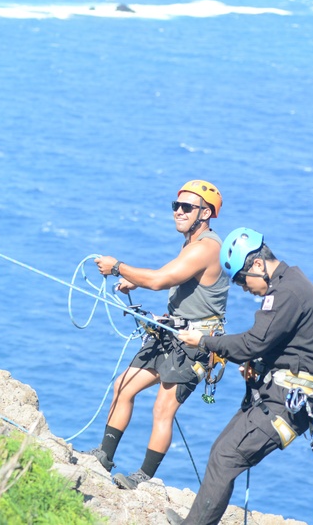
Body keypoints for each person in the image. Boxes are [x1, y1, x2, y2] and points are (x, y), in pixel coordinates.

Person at [168, 227, 313, 525]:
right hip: (278, 395)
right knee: (222, 451)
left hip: (286, 404)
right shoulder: (290, 284)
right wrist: (262, 363)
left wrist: (204, 341)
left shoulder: (286, 293)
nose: (243, 288)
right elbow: (284, 345)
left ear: (258, 264)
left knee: (227, 457)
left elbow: (251, 343)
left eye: (242, 280)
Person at [80, 180, 228, 490]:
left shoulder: (207, 246)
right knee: (123, 387)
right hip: (172, 332)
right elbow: (175, 274)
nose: (179, 212)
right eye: (176, 206)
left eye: (187, 207)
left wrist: (119, 267)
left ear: (206, 214)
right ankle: (103, 457)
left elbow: (161, 279)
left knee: (163, 408)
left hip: (195, 343)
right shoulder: (192, 241)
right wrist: (137, 281)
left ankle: (143, 478)